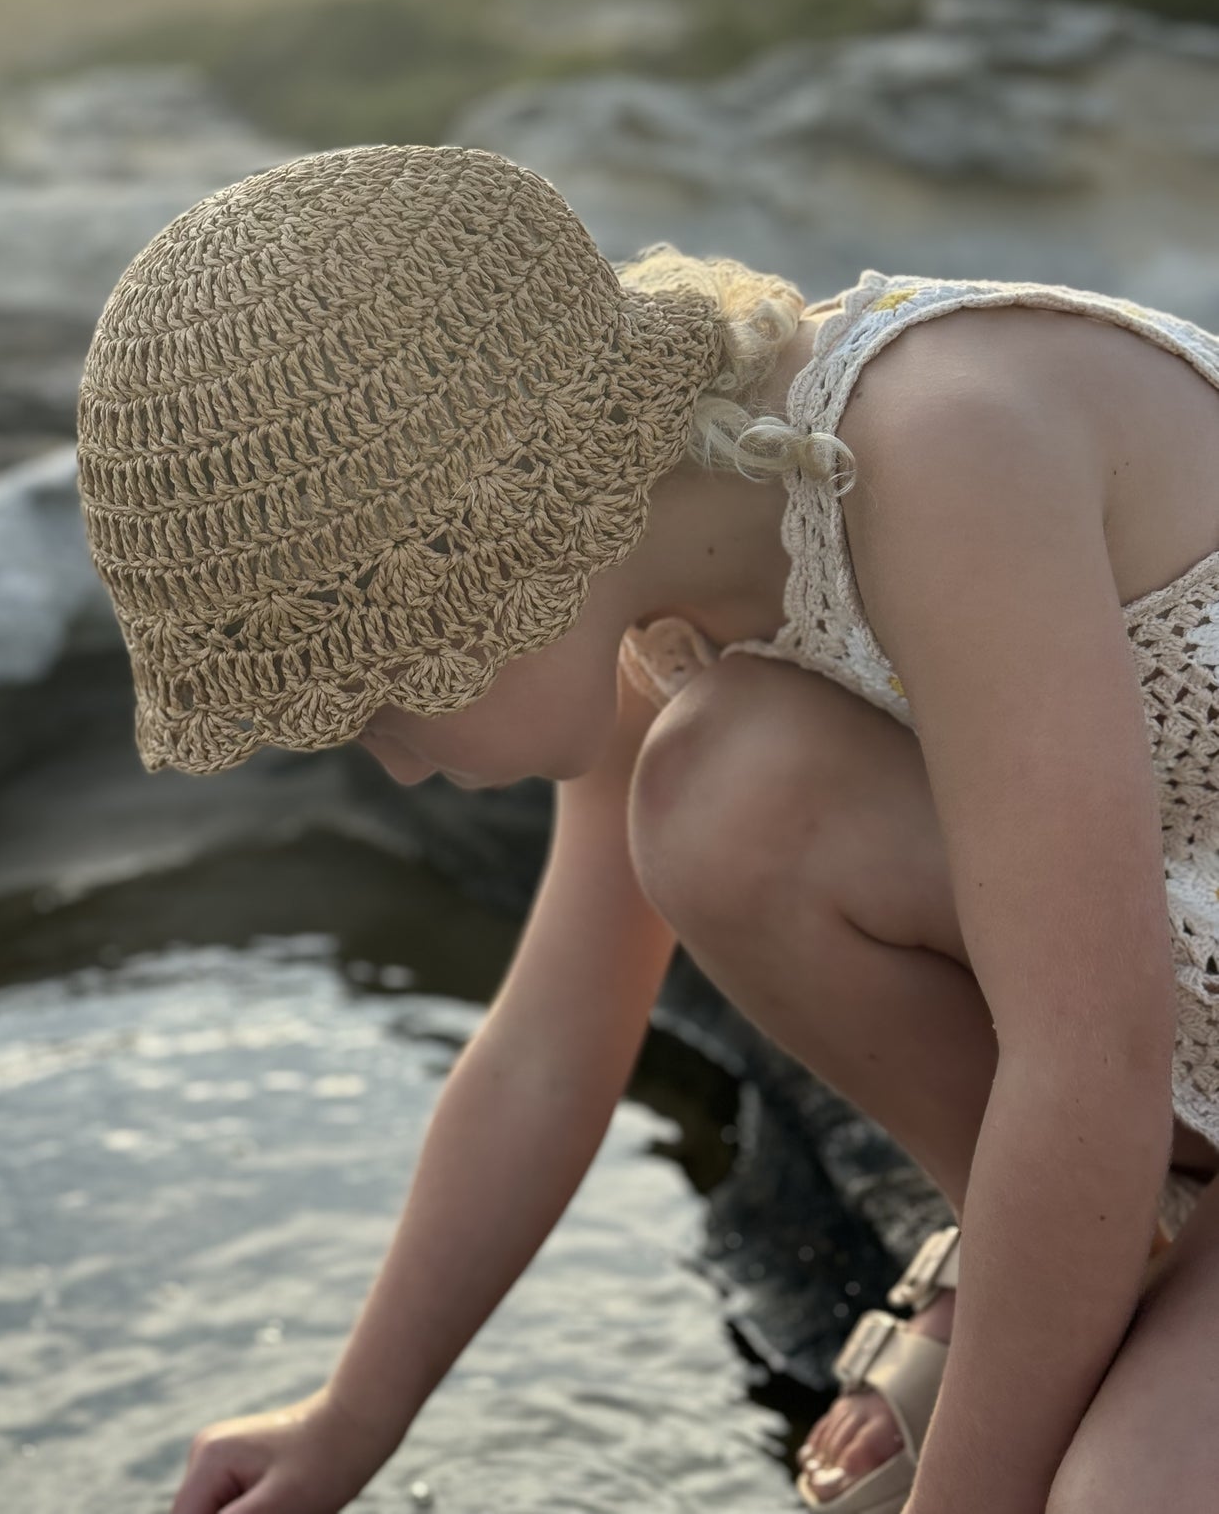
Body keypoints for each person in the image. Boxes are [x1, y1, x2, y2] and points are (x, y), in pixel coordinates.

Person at [74, 142, 1219, 1514]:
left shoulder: (943, 445)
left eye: (378, 698)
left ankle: (1072, 1265)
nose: (394, 763)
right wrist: (350, 1419)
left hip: (1117, 1038)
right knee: (721, 793)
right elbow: (551, 1048)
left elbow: (1086, 1050)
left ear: (482, 572)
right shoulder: (650, 580)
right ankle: (1114, 1239)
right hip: (1151, 1013)